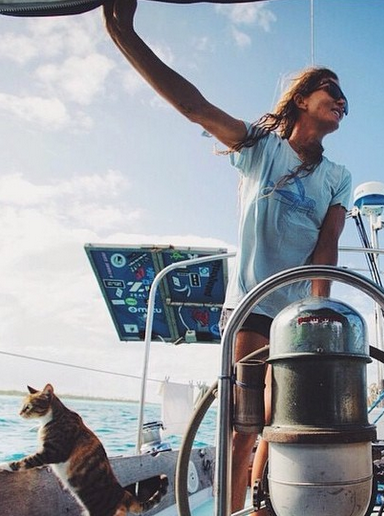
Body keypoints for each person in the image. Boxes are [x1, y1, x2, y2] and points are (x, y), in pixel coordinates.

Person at [103, 1, 352, 513]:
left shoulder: (338, 176)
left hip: (296, 314)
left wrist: (317, 309)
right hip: (252, 305)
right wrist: (121, 31)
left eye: (345, 99)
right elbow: (193, 106)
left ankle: (259, 504)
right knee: (245, 428)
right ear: (301, 99)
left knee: (283, 423)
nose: (342, 101)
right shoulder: (261, 148)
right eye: (331, 90)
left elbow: (327, 245)